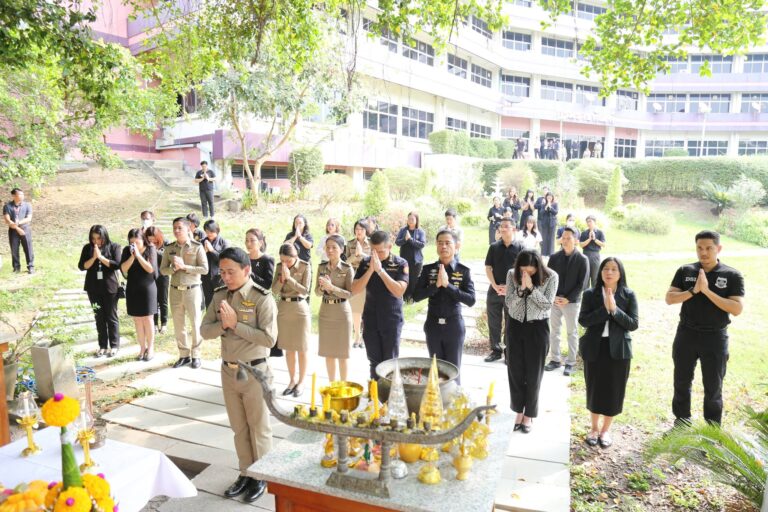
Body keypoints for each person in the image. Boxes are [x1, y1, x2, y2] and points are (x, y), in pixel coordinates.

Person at [200, 247, 276, 503]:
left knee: (259, 427)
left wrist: (236, 325)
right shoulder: (220, 295)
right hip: (228, 371)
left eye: (231, 272)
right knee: (239, 427)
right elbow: (204, 331)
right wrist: (223, 325)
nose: (226, 277)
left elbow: (269, 339)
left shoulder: (262, 298)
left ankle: (261, 475)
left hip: (254, 371)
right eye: (222, 272)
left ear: (246, 270)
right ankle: (246, 472)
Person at [665, 231, 744, 426]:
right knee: (681, 381)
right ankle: (682, 422)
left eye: (709, 248)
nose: (704, 252)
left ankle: (711, 429)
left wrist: (707, 291)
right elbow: (670, 298)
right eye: (700, 248)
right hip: (686, 334)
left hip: (715, 337)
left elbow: (736, 309)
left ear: (719, 248)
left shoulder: (732, 275)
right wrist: (693, 291)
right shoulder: (686, 270)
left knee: (713, 386)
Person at [579, 257, 638, 448]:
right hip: (595, 347)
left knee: (614, 390)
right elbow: (583, 320)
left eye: (614, 269)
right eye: (606, 268)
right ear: (600, 272)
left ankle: (605, 430)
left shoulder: (629, 294)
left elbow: (633, 324)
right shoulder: (590, 294)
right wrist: (604, 310)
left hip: (619, 350)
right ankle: (594, 428)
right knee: (594, 388)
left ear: (620, 273)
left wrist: (614, 310)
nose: (609, 272)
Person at [505, 249, 558, 433]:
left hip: (537, 328)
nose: (526, 273)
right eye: (523, 270)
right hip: (515, 326)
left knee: (534, 374)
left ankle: (529, 415)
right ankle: (518, 411)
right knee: (515, 372)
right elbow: (509, 303)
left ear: (538, 266)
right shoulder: (512, 274)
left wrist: (532, 289)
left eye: (530, 270)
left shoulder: (551, 277)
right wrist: (521, 288)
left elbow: (547, 304)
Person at [413, 230, 475, 377]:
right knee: (435, 371)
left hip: (454, 325)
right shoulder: (428, 270)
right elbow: (416, 296)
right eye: (440, 243)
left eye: (448, 243)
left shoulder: (463, 271)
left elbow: (471, 300)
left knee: (453, 371)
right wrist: (435, 286)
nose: (444, 246)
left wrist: (448, 286)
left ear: (456, 246)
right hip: (433, 325)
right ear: (436, 245)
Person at [351, 230, 408, 379]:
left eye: (380, 251)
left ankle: (389, 393)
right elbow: (355, 289)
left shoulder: (400, 263)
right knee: (374, 361)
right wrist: (371, 270)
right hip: (371, 316)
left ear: (389, 246)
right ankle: (375, 392)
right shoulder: (366, 262)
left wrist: (381, 271)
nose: (376, 255)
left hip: (391, 318)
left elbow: (399, 291)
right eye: (373, 251)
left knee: (390, 362)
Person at [161, 217, 209, 369]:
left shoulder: (197, 247)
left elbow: (205, 269)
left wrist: (185, 267)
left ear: (188, 229)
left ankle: (196, 355)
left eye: (179, 228)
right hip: (175, 290)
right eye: (174, 228)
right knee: (178, 324)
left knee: (195, 323)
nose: (176, 230)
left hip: (192, 290)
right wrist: (173, 269)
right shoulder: (169, 248)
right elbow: (162, 270)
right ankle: (184, 355)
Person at [544, 228, 590, 376]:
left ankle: (570, 362)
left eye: (568, 238)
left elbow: (583, 284)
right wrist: (553, 296)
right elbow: (547, 278)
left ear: (576, 240)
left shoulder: (582, 259)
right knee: (554, 331)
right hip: (555, 301)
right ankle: (555, 359)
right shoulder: (554, 257)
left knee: (572, 332)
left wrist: (568, 298)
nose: (564, 241)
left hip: (572, 302)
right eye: (563, 238)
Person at [272, 243, 311, 397]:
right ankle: (292, 380)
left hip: (300, 308)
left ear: (295, 257)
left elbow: (305, 290)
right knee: (288, 349)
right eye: (282, 260)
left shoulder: (305, 266)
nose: (285, 263)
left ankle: (301, 381)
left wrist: (290, 279)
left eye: (288, 261)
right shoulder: (279, 267)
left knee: (302, 348)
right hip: (283, 308)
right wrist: (282, 279)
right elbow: (274, 290)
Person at [78, 225, 122, 357]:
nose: (96, 241)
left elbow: (117, 264)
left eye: (99, 238)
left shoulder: (114, 246)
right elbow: (82, 266)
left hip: (110, 287)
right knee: (99, 317)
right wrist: (93, 258)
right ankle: (102, 345)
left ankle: (114, 345)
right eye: (93, 238)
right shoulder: (87, 248)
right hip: (93, 287)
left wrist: (101, 257)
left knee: (111, 316)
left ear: (104, 236)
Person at [483, 218, 522, 363]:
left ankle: (508, 352)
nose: (503, 229)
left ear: (514, 229)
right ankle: (495, 351)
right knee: (494, 322)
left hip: (512, 291)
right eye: (501, 226)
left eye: (506, 226)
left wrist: (511, 287)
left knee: (510, 323)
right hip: (494, 289)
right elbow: (488, 267)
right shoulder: (494, 247)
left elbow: (524, 271)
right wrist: (494, 285)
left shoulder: (521, 247)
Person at [316, 235, 354, 382]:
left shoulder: (347, 269)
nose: (330, 250)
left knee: (342, 354)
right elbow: (317, 292)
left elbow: (350, 294)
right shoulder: (321, 267)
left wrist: (332, 288)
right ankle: (332, 385)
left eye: (334, 247)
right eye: (328, 247)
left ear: (342, 249)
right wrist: (322, 287)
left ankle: (343, 386)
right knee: (329, 353)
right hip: (326, 312)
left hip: (341, 313)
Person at [120, 228, 158, 361]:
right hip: (133, 288)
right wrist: (132, 256)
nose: (134, 245)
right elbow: (123, 269)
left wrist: (138, 255)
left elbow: (150, 269)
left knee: (148, 319)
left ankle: (151, 347)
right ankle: (142, 348)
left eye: (137, 242)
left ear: (143, 240)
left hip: (147, 288)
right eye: (132, 242)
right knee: (137, 320)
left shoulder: (150, 249)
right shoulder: (127, 251)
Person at [345, 219, 372, 349]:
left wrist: (361, 254)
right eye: (356, 229)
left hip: (367, 277)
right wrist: (354, 256)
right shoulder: (350, 243)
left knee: (366, 309)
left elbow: (374, 260)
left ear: (366, 230)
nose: (359, 231)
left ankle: (364, 337)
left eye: (361, 229)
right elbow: (345, 262)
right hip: (353, 277)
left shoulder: (372, 243)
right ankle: (356, 336)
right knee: (355, 309)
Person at [395, 211, 427, 302]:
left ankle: (413, 297)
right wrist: (405, 239)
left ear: (416, 220)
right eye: (409, 219)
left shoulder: (420, 231)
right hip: (404, 259)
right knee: (404, 277)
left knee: (414, 279)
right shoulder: (403, 230)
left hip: (416, 260)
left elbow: (422, 244)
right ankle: (405, 296)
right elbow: (397, 242)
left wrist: (410, 239)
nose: (410, 220)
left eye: (412, 219)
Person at [3, 188, 34, 274]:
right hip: (13, 230)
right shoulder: (7, 206)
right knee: (14, 249)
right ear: (13, 196)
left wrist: (18, 223)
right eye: (20, 194)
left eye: (22, 194)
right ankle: (16, 268)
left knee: (28, 248)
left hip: (25, 229)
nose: (22, 196)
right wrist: (18, 228)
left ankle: (31, 267)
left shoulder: (27, 205)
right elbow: (7, 220)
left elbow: (28, 218)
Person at [201, 220, 230, 309]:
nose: (209, 234)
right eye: (207, 231)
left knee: (221, 302)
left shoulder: (223, 242)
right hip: (205, 277)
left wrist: (212, 250)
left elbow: (225, 260)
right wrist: (204, 253)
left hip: (219, 277)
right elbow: (197, 260)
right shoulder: (202, 242)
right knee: (208, 301)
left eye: (211, 231)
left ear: (217, 230)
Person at [145, 226, 169, 334]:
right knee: (153, 300)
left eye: (153, 239)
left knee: (163, 300)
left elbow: (167, 259)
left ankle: (164, 323)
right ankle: (154, 324)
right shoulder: (145, 245)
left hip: (163, 275)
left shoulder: (166, 243)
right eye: (149, 239)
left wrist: (155, 251)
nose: (152, 241)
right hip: (150, 276)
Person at [579, 215, 606, 288]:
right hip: (585, 254)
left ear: (595, 222)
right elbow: (581, 245)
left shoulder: (600, 232)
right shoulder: (584, 233)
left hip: (595, 255)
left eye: (590, 221)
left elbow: (603, 244)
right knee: (586, 277)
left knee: (595, 277)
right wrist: (589, 239)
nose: (588, 223)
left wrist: (594, 239)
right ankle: (586, 293)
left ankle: (595, 293)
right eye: (587, 222)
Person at [538, 191, 559, 257]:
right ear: (546, 197)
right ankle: (544, 253)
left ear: (552, 197)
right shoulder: (543, 204)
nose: (549, 198)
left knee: (551, 238)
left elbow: (555, 212)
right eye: (548, 197)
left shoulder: (555, 204)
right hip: (544, 223)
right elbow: (541, 213)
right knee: (544, 238)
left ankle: (551, 253)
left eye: (550, 197)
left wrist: (551, 207)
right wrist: (546, 207)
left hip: (552, 223)